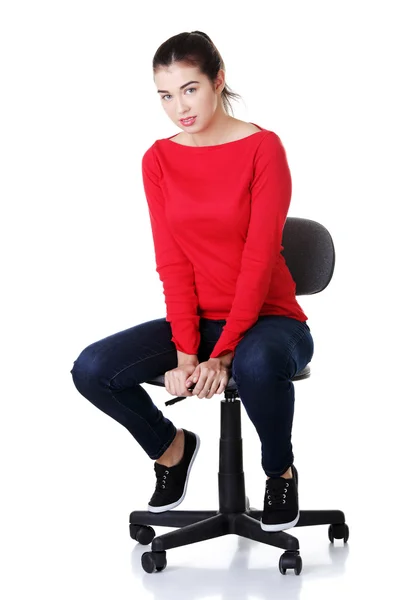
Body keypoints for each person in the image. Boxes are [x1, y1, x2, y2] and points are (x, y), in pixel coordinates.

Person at [70, 31, 314, 532]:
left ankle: (280, 471)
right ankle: (171, 449)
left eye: (189, 89)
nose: (178, 106)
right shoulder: (159, 160)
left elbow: (258, 259)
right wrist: (187, 351)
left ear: (217, 80)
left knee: (257, 361)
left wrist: (222, 353)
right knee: (93, 369)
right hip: (199, 322)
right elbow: (174, 262)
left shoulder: (262, 149)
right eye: (165, 94)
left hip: (271, 323)